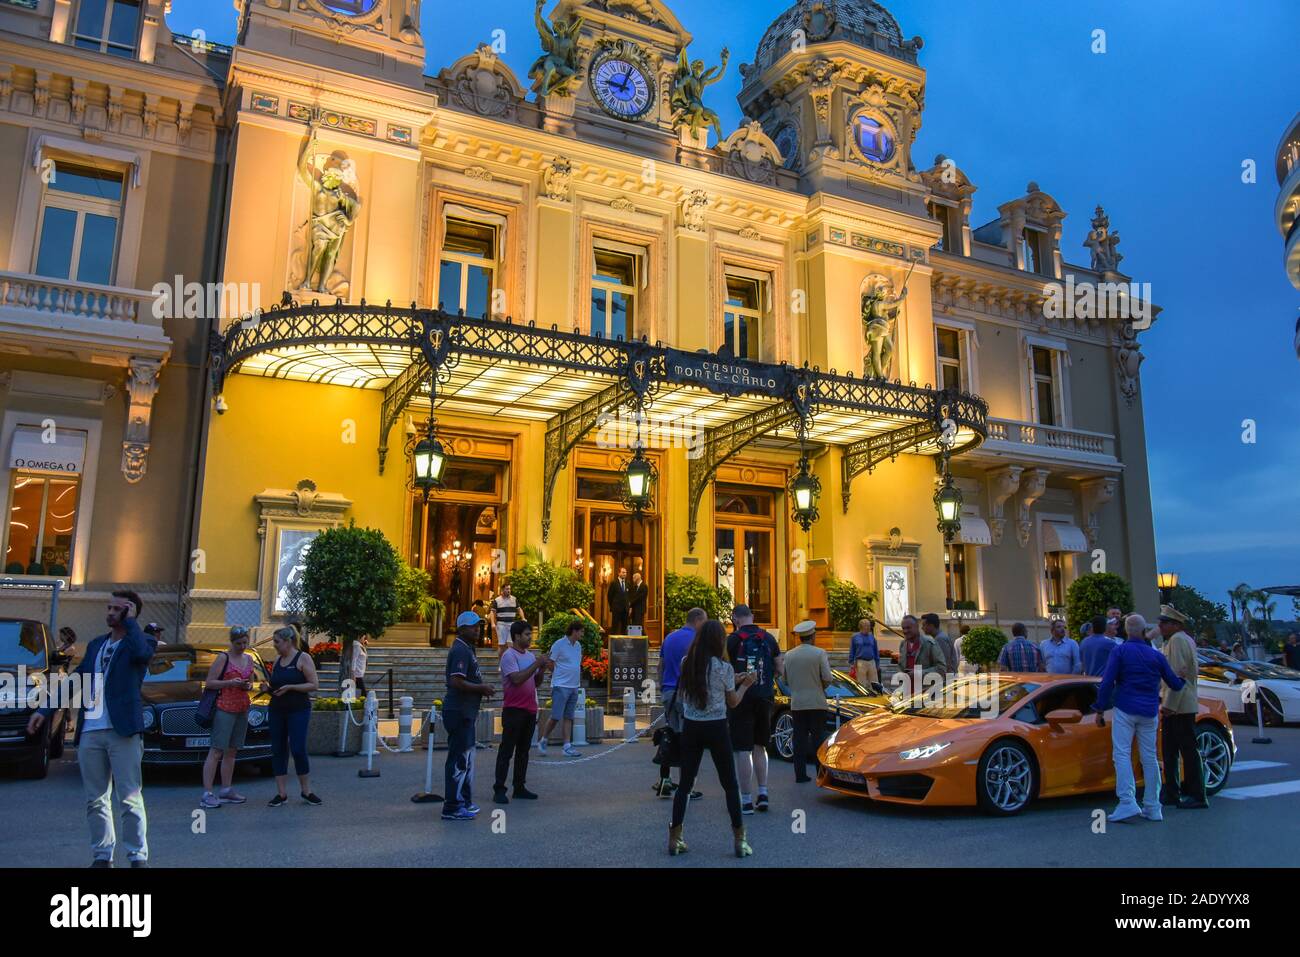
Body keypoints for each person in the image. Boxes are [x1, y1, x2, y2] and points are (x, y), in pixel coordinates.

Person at [30, 590, 157, 867]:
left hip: (123, 731)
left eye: (116, 609)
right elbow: (75, 681)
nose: (109, 613)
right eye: (108, 608)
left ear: (129, 611)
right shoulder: (98, 644)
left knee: (130, 798)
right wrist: (44, 710)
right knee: (95, 799)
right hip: (91, 730)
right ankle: (103, 856)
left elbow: (141, 655)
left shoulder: (143, 640)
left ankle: (137, 857)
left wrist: (132, 622)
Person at [668, 619, 757, 858]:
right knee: (729, 784)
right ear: (719, 640)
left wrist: (733, 679)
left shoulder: (687, 663)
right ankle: (740, 840)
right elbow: (733, 702)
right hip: (716, 727)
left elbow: (700, 685)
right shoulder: (724, 667)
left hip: (692, 727)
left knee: (685, 785)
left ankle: (675, 838)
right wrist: (745, 684)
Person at [1092, 613, 1186, 823]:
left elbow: (1107, 682)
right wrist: (1183, 678)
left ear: (1126, 631)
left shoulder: (1120, 651)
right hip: (1149, 710)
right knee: (1149, 757)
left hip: (1125, 707)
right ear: (1144, 631)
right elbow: (1174, 683)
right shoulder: (1156, 656)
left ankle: (1127, 801)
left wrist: (1099, 709)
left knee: (1122, 754)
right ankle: (1153, 806)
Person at [726, 604, 783, 814]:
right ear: (752, 616)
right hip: (764, 697)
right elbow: (779, 668)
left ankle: (746, 799)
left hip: (741, 698)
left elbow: (724, 670)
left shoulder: (732, 640)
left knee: (743, 749)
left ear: (736, 619)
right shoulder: (768, 638)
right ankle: (764, 792)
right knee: (761, 746)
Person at [442, 611, 494, 821]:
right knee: (459, 759)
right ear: (461, 628)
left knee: (467, 758)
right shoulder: (461, 650)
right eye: (473, 626)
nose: (477, 629)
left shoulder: (468, 648)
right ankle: (452, 806)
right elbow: (456, 680)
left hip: (466, 710)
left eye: (479, 625)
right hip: (459, 709)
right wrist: (481, 688)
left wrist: (479, 690)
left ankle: (464, 800)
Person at [200, 626, 256, 809]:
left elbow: (251, 682)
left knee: (232, 750)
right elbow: (209, 682)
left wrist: (247, 686)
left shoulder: (249, 659)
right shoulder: (223, 658)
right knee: (217, 750)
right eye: (238, 643)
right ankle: (207, 792)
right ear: (231, 642)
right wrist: (229, 682)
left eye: (245, 643)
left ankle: (226, 789)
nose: (242, 646)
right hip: (224, 707)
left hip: (242, 706)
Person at [493, 620, 550, 804]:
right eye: (527, 634)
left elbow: (536, 683)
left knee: (523, 751)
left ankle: (519, 786)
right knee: (507, 750)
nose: (530, 637)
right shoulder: (509, 656)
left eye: (530, 634)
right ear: (517, 636)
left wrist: (541, 668)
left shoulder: (531, 656)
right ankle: (499, 789)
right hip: (513, 709)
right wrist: (536, 664)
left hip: (529, 709)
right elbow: (516, 679)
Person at [264, 626, 320, 808]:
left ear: (288, 642)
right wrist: (268, 689)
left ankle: (306, 790)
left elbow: (313, 684)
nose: (274, 645)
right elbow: (275, 685)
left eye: (277, 642)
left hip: (298, 709)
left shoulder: (303, 658)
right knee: (278, 749)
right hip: (277, 709)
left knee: (297, 749)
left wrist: (291, 687)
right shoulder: (278, 660)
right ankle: (281, 793)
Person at [1156, 605, 1207, 809]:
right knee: (1172, 751)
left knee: (1184, 751)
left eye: (1164, 623)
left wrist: (1168, 705)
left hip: (1179, 705)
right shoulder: (1182, 640)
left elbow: (1177, 675)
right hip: (1181, 704)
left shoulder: (1177, 640)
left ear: (1175, 625)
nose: (1160, 626)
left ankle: (1195, 794)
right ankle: (1173, 791)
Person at [654, 607, 706, 798]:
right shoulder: (698, 640)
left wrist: (662, 688)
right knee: (689, 740)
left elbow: (660, 666)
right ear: (697, 620)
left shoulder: (669, 638)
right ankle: (687, 786)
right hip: (688, 695)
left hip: (669, 693)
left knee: (670, 735)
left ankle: (665, 780)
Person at [783, 620, 834, 783]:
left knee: (799, 740)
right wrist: (820, 686)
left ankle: (800, 774)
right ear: (813, 636)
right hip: (817, 701)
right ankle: (820, 773)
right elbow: (827, 678)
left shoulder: (789, 655)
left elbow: (785, 680)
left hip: (797, 702)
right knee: (819, 739)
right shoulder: (819, 653)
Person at [537, 619, 583, 757]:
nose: (582, 634)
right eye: (581, 631)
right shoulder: (559, 644)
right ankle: (543, 739)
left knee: (569, 716)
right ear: (574, 631)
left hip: (574, 686)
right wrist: (557, 674)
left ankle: (567, 746)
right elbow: (550, 661)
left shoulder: (578, 645)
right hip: (561, 686)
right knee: (556, 716)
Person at [899, 614, 946, 694]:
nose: (905, 631)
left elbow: (941, 668)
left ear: (917, 627)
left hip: (927, 694)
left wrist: (918, 673)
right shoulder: (903, 645)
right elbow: (901, 666)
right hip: (907, 696)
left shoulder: (929, 643)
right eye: (903, 628)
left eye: (908, 628)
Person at [849, 617, 881, 690]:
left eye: (869, 625)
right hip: (860, 662)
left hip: (872, 661)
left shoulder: (872, 637)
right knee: (861, 683)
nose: (868, 627)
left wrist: (877, 663)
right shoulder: (855, 637)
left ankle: (875, 698)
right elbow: (852, 650)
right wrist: (851, 662)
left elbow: (876, 650)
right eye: (866, 625)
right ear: (861, 627)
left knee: (874, 683)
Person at [490, 581, 520, 649]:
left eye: (509, 589)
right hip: (501, 624)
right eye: (507, 589)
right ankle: (501, 659)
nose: (509, 590)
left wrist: (523, 618)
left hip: (512, 624)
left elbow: (519, 609)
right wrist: (492, 623)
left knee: (511, 643)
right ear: (502, 590)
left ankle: (509, 659)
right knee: (502, 645)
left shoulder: (514, 599)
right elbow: (492, 612)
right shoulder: (497, 600)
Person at [607, 567, 631, 634]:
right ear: (619, 573)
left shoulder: (628, 583)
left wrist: (629, 608)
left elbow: (629, 596)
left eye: (625, 572)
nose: (625, 574)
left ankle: (623, 643)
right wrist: (613, 606)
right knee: (615, 627)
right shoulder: (614, 583)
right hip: (616, 609)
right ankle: (613, 643)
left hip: (625, 610)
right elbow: (609, 596)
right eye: (623, 572)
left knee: (624, 628)